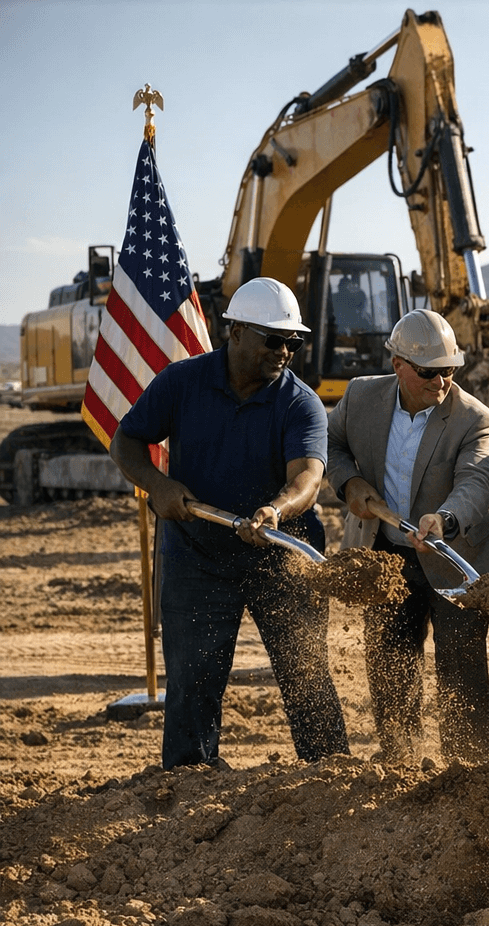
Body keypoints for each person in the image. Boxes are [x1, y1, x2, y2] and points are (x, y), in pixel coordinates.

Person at [110, 277, 350, 770]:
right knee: (193, 676)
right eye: (273, 339)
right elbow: (126, 442)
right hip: (196, 553)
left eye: (293, 342)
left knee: (306, 673)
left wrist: (276, 510)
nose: (284, 351)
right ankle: (189, 780)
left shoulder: (300, 402)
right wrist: (157, 486)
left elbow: (307, 477)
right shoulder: (181, 383)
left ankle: (331, 778)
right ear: (236, 331)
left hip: (281, 554)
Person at [327, 309, 489, 763]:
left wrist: (443, 520)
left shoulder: (474, 419)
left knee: (460, 669)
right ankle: (401, 763)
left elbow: (477, 481)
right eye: (429, 373)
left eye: (448, 371)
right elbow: (331, 444)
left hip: (455, 554)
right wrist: (349, 483)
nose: (441, 383)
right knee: (390, 663)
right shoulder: (361, 397)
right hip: (388, 554)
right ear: (397, 365)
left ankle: (472, 774)